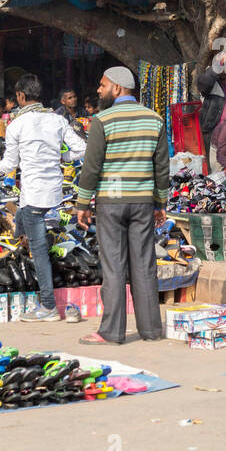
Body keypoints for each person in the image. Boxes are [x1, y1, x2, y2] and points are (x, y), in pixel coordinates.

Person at [74, 67, 169, 345]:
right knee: (144, 265)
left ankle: (112, 332)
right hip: (142, 203)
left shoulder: (102, 120)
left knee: (114, 266)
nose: (99, 90)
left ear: (117, 88)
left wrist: (83, 203)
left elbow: (92, 168)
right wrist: (160, 201)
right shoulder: (155, 120)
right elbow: (161, 167)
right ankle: (151, 330)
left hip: (111, 202)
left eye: (103, 85)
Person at [0, 74, 87, 321]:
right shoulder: (57, 120)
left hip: (33, 195)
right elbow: (82, 148)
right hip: (54, 193)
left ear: (20, 96)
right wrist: (63, 158)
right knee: (21, 218)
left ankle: (48, 306)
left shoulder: (16, 125)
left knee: (39, 251)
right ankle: (19, 235)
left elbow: (10, 163)